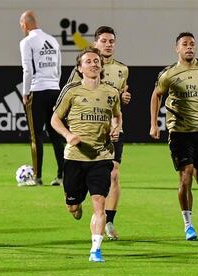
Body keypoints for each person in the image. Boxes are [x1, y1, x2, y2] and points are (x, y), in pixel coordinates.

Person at [51, 48, 122, 262]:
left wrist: (116, 128)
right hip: (75, 157)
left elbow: (117, 116)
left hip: (101, 156)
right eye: (88, 61)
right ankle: (74, 203)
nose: (93, 64)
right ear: (80, 68)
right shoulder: (71, 91)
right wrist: (68, 134)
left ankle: (95, 250)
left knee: (99, 202)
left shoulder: (111, 92)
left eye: (96, 61)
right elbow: (55, 119)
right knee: (73, 205)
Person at [149, 32, 198, 241]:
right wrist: (154, 124)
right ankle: (188, 224)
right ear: (177, 49)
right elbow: (156, 95)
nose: (189, 47)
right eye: (185, 44)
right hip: (179, 132)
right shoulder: (169, 74)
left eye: (192, 44)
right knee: (185, 175)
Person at [67, 26, 130, 240]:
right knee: (76, 195)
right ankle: (78, 200)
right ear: (95, 44)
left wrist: (124, 100)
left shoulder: (122, 69)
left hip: (110, 131)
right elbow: (70, 98)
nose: (108, 44)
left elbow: (117, 100)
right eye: (103, 41)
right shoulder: (83, 67)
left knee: (114, 173)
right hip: (84, 135)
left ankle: (108, 220)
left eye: (111, 41)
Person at [19, 10, 65, 186]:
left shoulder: (27, 42)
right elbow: (59, 67)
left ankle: (36, 177)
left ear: (24, 24)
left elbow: (28, 69)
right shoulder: (52, 40)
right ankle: (62, 176)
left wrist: (25, 92)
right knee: (56, 134)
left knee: (36, 135)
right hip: (55, 90)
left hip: (37, 91)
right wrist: (55, 85)